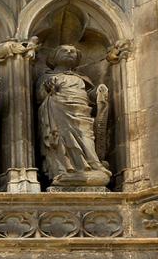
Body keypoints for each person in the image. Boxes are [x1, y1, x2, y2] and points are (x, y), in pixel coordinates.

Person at [35, 44, 110, 186]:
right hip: (58, 109)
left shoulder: (82, 78)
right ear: (54, 57)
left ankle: (92, 165)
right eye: (64, 51)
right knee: (61, 137)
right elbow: (40, 96)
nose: (69, 53)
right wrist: (47, 87)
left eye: (73, 51)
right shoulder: (47, 77)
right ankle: (64, 169)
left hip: (82, 112)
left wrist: (98, 92)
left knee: (86, 137)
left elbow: (89, 95)